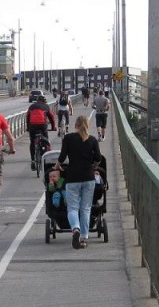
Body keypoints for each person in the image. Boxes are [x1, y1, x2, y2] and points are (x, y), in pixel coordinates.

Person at [53, 114, 102, 250]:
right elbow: (98, 158)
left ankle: (75, 228)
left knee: (73, 208)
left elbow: (62, 157)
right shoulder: (92, 140)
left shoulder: (68, 138)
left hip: (72, 178)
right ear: (87, 125)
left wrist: (57, 166)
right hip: (88, 177)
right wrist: (94, 166)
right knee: (85, 208)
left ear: (75, 125)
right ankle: (84, 238)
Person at [26, 93, 56, 169]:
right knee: (46, 141)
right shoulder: (46, 106)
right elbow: (52, 118)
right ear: (44, 101)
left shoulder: (31, 106)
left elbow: (27, 117)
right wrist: (53, 127)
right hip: (42, 126)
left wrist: (28, 128)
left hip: (32, 126)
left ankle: (33, 160)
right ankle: (47, 157)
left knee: (32, 142)